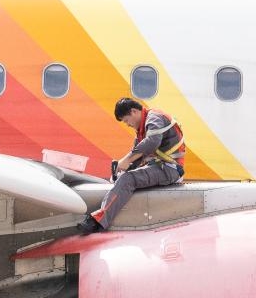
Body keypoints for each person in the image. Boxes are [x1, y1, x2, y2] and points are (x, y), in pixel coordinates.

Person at [77, 97, 185, 234]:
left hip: (170, 169)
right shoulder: (143, 128)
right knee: (124, 177)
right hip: (161, 167)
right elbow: (137, 156)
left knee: (128, 180)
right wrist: (120, 172)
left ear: (134, 111)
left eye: (126, 120)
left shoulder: (154, 118)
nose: (127, 124)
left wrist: (126, 160)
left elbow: (152, 142)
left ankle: (97, 222)